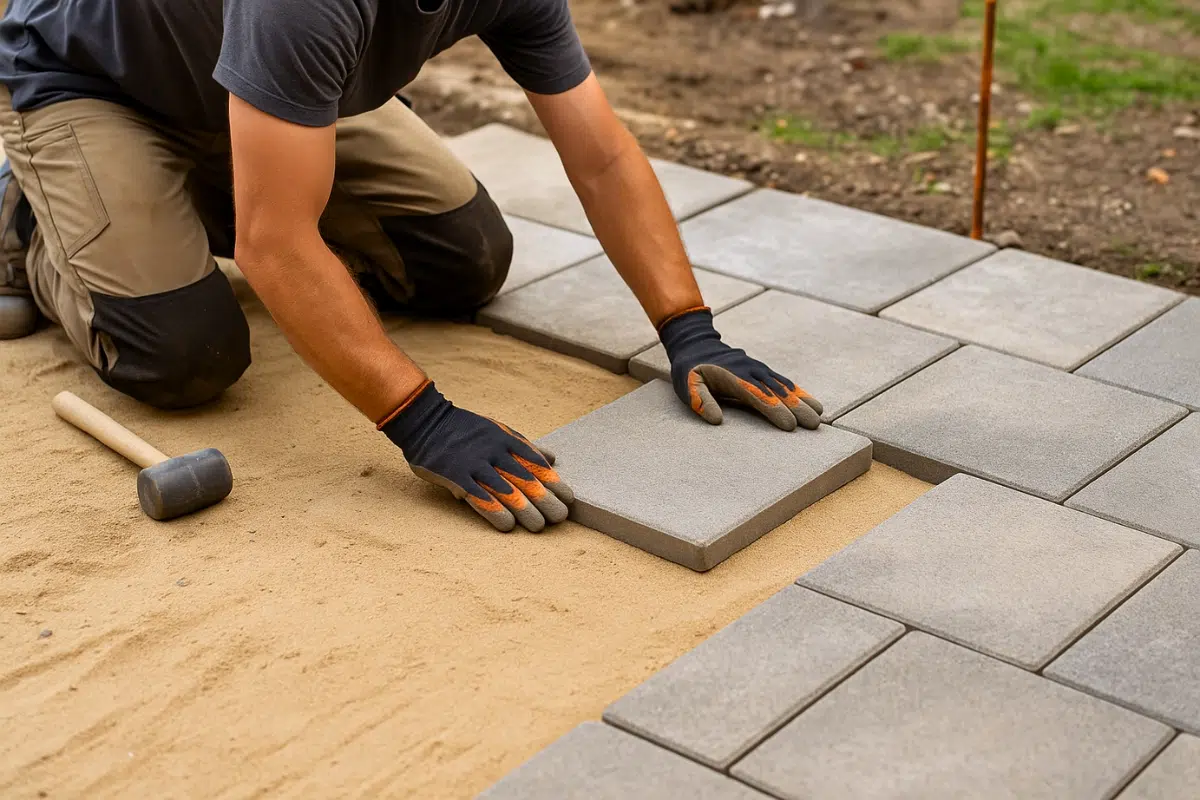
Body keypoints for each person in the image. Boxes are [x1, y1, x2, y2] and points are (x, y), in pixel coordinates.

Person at [0, 0, 823, 532]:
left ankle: (217, 181)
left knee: (464, 257)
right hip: (93, 82)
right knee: (183, 355)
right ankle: (25, 218)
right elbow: (275, 246)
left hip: (265, 92)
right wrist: (422, 420)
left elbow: (602, 156)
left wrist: (690, 329)